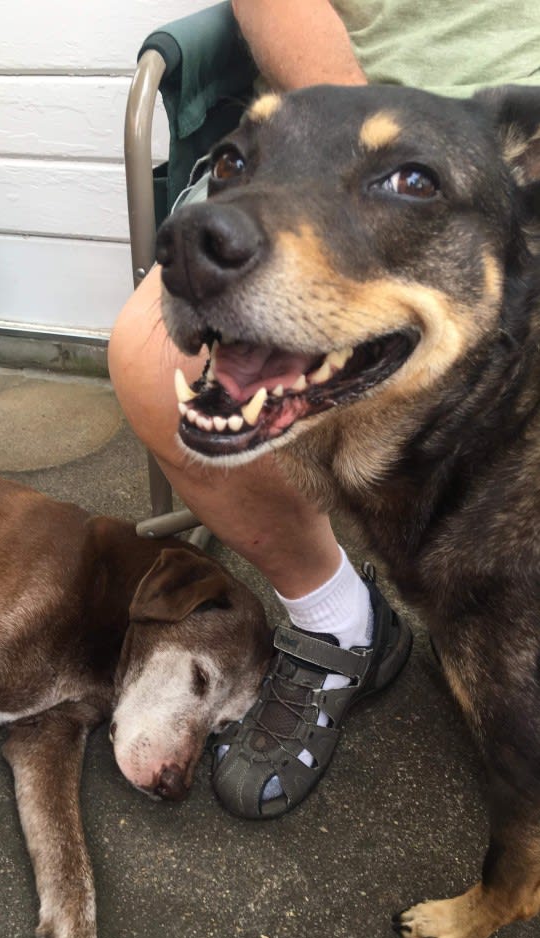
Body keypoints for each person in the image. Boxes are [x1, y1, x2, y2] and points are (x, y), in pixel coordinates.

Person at [107, 0, 540, 820]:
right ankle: (343, 626)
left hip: (505, 146)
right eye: (227, 164)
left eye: (405, 180)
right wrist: (382, 147)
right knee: (141, 357)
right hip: (329, 106)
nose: (188, 247)